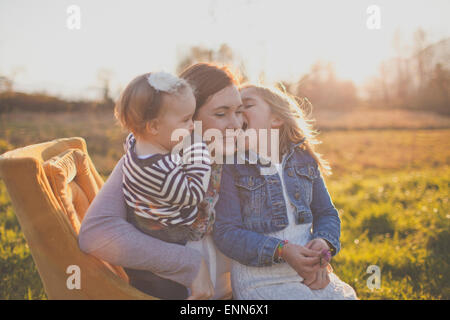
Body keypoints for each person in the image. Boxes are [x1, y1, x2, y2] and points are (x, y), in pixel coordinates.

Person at [78, 63, 244, 300]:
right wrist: (188, 263)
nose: (236, 125)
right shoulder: (148, 163)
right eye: (221, 113)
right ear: (189, 118)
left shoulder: (242, 154)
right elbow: (96, 232)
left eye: (239, 111)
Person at [212, 84, 358, 299]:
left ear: (277, 119)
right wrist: (281, 249)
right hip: (261, 281)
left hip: (310, 274)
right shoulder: (232, 167)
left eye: (246, 106)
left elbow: (327, 213)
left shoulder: (304, 161)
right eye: (233, 111)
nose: (237, 115)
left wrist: (323, 247)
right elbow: (226, 232)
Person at [115, 71, 212, 245]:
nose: (192, 125)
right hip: (168, 231)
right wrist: (199, 152)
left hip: (142, 215)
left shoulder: (133, 141)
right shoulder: (162, 170)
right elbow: (194, 193)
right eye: (185, 120)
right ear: (153, 127)